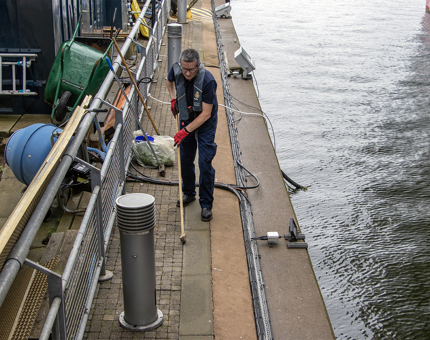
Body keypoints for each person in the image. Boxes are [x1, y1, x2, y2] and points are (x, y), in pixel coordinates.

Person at [166, 48, 218, 222]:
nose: (187, 73)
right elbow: (169, 81)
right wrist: (173, 98)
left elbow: (206, 114)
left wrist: (184, 132)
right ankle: (189, 193)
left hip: (205, 123)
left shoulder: (208, 81)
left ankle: (206, 204)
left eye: (191, 70)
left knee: (204, 162)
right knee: (185, 159)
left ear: (198, 66)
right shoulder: (176, 70)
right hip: (186, 117)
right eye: (184, 69)